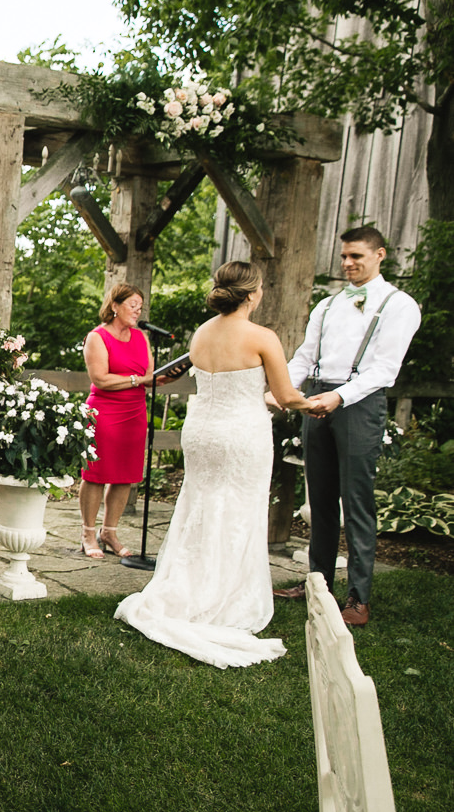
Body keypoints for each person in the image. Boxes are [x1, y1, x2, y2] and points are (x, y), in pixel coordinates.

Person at [114, 261, 313, 668]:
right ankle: (223, 595)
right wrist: (316, 403)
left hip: (202, 432)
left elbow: (221, 383)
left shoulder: (201, 333)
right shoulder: (262, 336)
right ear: (253, 293)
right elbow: (286, 394)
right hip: (241, 435)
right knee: (239, 510)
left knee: (200, 507)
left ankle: (188, 586)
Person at [275, 226, 422, 627]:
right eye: (343, 256)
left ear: (380, 255)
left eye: (356, 256)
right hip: (316, 398)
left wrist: (340, 397)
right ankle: (316, 584)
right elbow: (305, 357)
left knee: (355, 502)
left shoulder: (399, 304)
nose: (347, 263)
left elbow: (385, 370)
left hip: (358, 403)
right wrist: (283, 389)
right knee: (319, 498)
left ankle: (358, 597)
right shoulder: (327, 305)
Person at [76, 282, 155, 558]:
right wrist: (135, 380)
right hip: (105, 412)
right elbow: (101, 379)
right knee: (96, 474)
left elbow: (150, 374)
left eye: (140, 306)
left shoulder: (142, 338)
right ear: (114, 306)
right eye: (132, 305)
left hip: (135, 412)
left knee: (125, 476)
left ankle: (109, 531)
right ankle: (88, 533)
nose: (137, 310)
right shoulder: (97, 337)